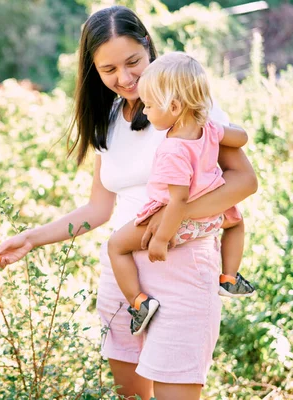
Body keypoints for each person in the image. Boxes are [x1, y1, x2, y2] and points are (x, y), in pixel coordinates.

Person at [0, 6, 257, 400]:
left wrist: (172, 217)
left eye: (133, 62)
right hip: (123, 275)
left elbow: (244, 181)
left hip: (180, 267)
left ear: (148, 46)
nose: (125, 78)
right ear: (93, 70)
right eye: (109, 70)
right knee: (130, 397)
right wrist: (31, 238)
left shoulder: (186, 107)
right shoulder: (110, 117)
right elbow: (98, 210)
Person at [107, 52, 256, 338]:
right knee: (237, 223)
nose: (146, 112)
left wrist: (161, 238)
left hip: (174, 222)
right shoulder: (209, 129)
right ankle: (229, 276)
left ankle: (139, 302)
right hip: (214, 217)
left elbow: (178, 200)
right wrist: (223, 128)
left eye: (149, 105)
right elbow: (242, 138)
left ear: (174, 106)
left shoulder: (172, 149)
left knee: (116, 246)